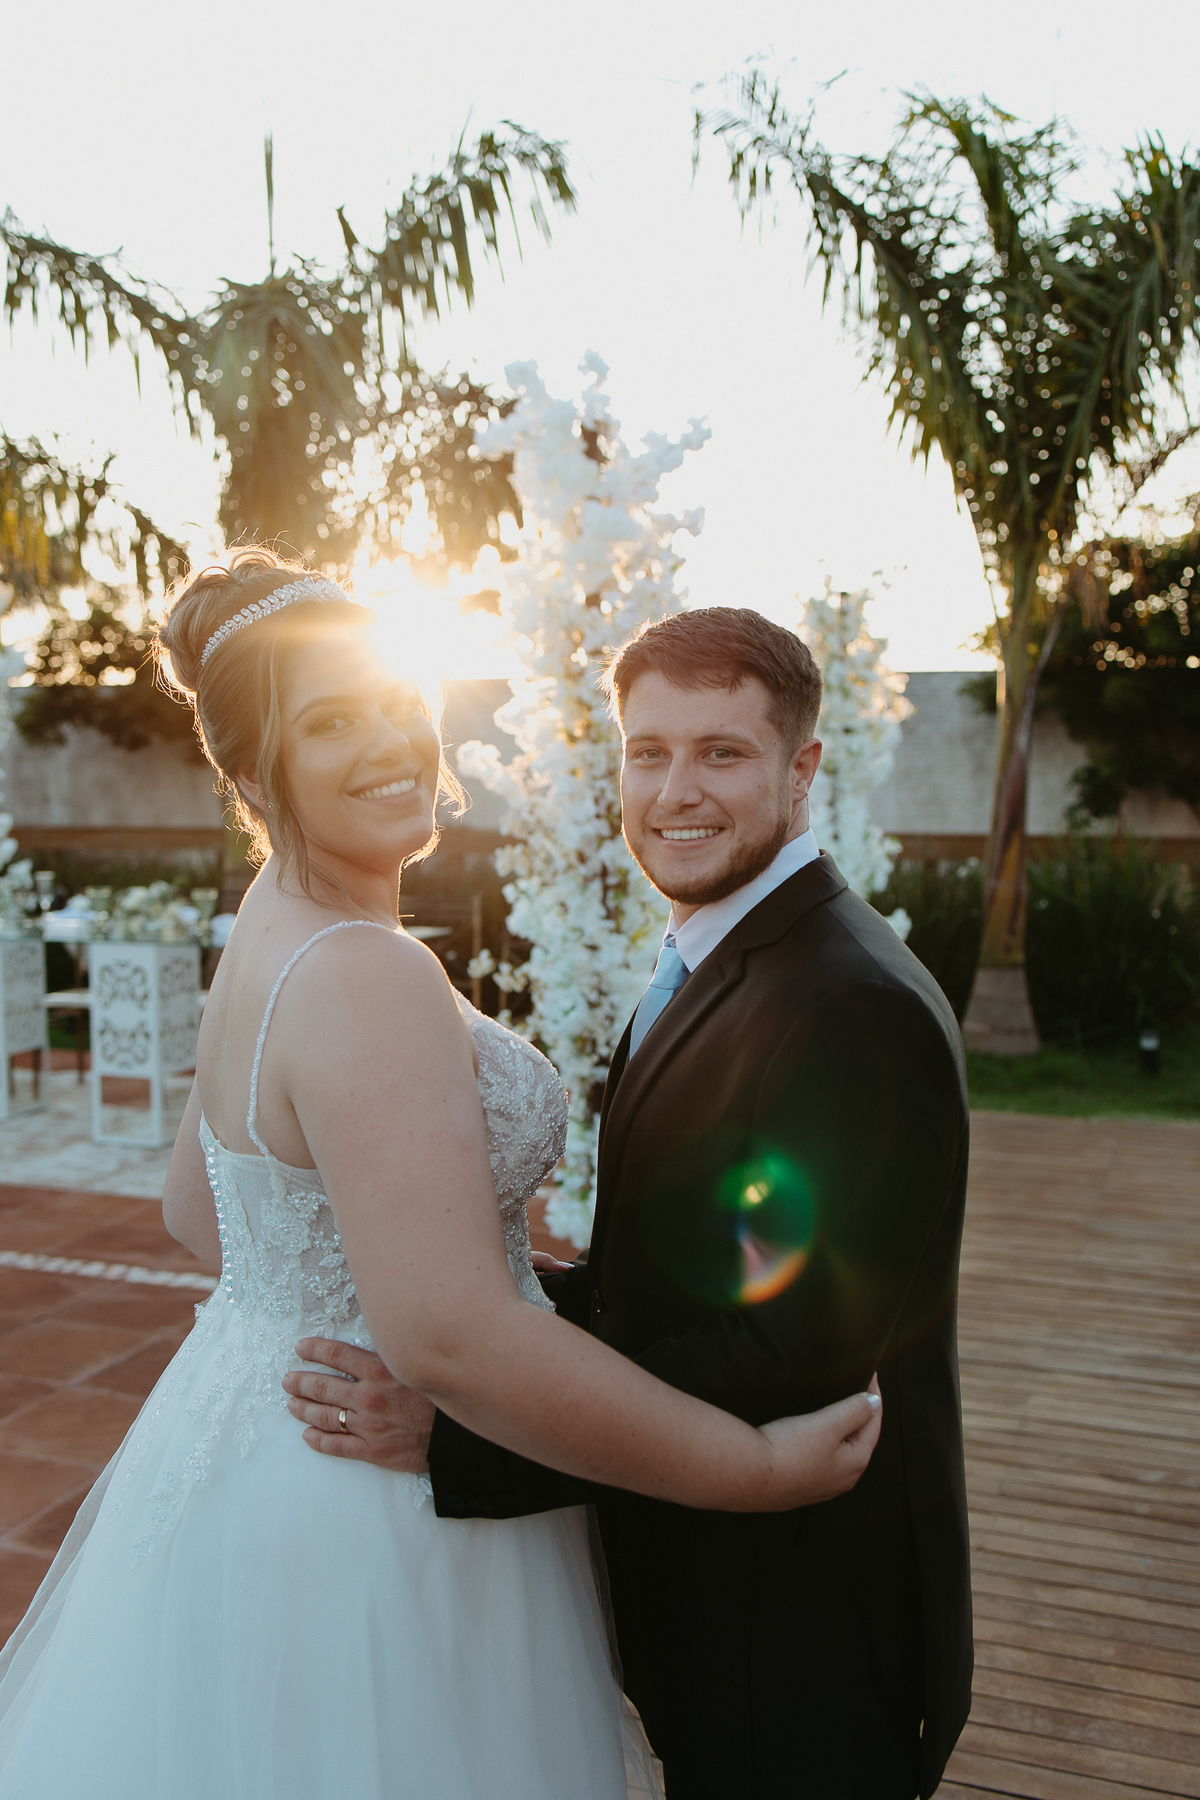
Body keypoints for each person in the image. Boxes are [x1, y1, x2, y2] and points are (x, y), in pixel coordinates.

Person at [0, 557, 881, 1800]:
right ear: (251, 775)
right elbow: (450, 1335)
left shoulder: (266, 927)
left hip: (245, 1444)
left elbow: (199, 1212)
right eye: (327, 723)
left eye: (392, 698)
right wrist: (754, 1470)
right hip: (375, 1511)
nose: (385, 742)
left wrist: (415, 1249)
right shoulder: (368, 971)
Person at [290, 607, 973, 1799]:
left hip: (801, 1634)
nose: (674, 792)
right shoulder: (717, 951)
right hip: (711, 1597)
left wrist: (468, 1429)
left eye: (722, 753)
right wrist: (477, 1305)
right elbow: (673, 1277)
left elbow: (784, 1353)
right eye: (647, 752)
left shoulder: (847, 1005)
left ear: (803, 769)